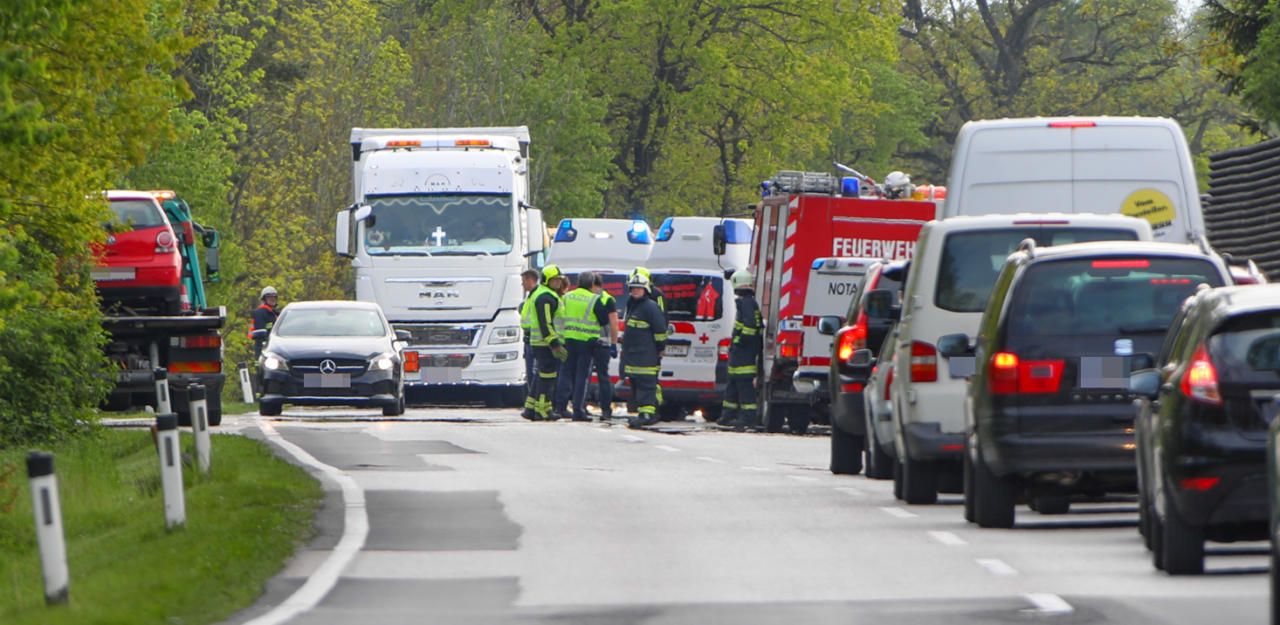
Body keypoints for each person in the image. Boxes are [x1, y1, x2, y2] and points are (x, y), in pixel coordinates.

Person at [553, 272, 612, 421]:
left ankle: (560, 407)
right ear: (592, 284)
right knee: (581, 377)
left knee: (565, 374)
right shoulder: (594, 300)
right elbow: (604, 321)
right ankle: (578, 410)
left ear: (578, 282)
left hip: (567, 341)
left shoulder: (566, 297)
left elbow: (558, 316)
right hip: (587, 343)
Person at [717, 269, 763, 430]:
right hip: (739, 353)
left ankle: (747, 417)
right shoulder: (746, 302)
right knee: (733, 385)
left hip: (744, 353)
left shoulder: (747, 303)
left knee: (744, 387)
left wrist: (739, 341)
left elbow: (750, 328)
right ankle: (728, 415)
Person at [522, 264, 569, 421]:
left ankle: (530, 408)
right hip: (545, 344)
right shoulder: (546, 297)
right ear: (547, 280)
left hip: (541, 343)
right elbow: (545, 322)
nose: (558, 283)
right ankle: (543, 410)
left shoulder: (545, 294)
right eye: (555, 280)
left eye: (559, 280)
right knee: (547, 378)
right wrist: (554, 342)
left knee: (541, 376)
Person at [622, 272, 667, 429]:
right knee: (636, 385)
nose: (635, 291)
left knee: (646, 386)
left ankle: (648, 414)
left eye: (639, 289)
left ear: (646, 290)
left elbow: (660, 331)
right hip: (634, 355)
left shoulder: (650, 307)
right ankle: (645, 414)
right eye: (633, 288)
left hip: (646, 355)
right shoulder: (633, 305)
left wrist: (660, 349)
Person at [589, 273, 620, 420]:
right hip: (603, 343)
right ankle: (605, 410)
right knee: (603, 376)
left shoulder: (591, 298)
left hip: (588, 342)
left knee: (584, 375)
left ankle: (581, 406)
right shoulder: (608, 299)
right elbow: (614, 323)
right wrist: (613, 343)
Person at [518, 269, 540, 401]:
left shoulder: (536, 295)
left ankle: (534, 402)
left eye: (523, 281)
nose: (522, 285)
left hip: (534, 339)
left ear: (529, 280)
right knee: (531, 374)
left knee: (534, 373)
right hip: (529, 339)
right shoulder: (531, 296)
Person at [249, 286, 279, 359]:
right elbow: (259, 332)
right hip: (263, 348)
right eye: (269, 297)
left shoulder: (276, 313)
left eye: (274, 297)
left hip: (275, 346)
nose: (272, 299)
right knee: (261, 367)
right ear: (264, 299)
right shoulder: (260, 313)